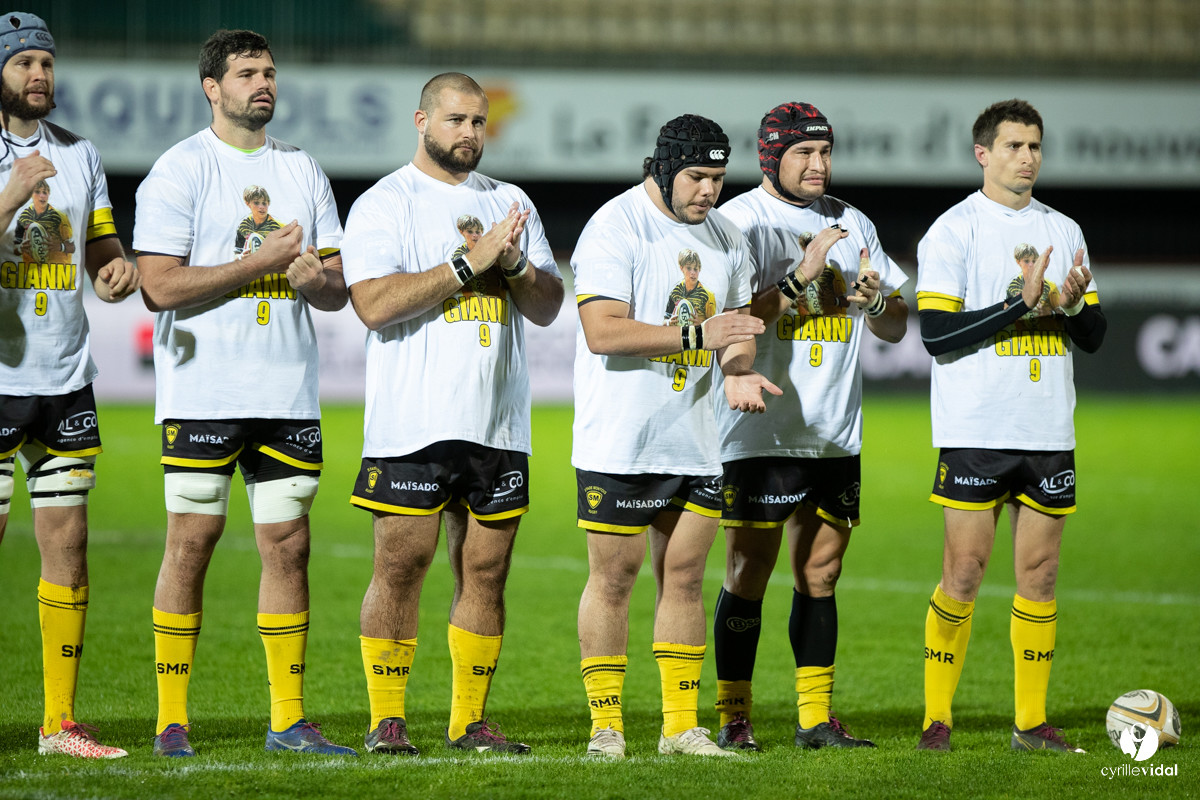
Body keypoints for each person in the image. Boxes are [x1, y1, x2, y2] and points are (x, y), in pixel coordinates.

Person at [134, 28, 355, 758]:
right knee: (190, 543)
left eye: (270, 72)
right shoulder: (180, 169)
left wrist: (316, 281)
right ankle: (171, 721)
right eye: (247, 72)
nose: (264, 83)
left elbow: (339, 288)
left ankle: (288, 721)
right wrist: (259, 262)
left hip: (286, 396)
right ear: (212, 87)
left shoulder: (303, 169)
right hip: (203, 394)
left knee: (289, 548)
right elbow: (158, 286)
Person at [342, 72, 563, 756]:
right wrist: (470, 264)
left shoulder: (511, 202)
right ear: (421, 121)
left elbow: (548, 306)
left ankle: (470, 722)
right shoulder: (386, 202)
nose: (470, 133)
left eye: (479, 122)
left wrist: (516, 264)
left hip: (498, 424)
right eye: (456, 119)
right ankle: (387, 721)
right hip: (414, 422)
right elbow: (374, 304)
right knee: (401, 565)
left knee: (486, 572)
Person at [573, 114, 781, 760]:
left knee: (686, 578)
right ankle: (606, 727)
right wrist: (699, 336)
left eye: (718, 178)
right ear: (663, 169)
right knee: (615, 578)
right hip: (622, 440)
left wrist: (738, 371)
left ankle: (679, 728)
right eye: (696, 177)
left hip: (696, 440)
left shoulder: (727, 237)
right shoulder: (615, 225)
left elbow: (737, 332)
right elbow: (603, 331)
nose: (709, 191)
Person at [710, 101, 909, 751]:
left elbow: (896, 324)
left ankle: (815, 720)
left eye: (825, 152)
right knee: (748, 570)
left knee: (822, 573)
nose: (819, 164)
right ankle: (734, 717)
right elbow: (732, 321)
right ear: (772, 156)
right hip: (761, 429)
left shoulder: (853, 221)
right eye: (804, 152)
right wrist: (799, 279)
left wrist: (875, 302)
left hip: (834, 431)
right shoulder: (738, 221)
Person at [914, 98, 1105, 753]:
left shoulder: (1065, 229)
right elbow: (936, 334)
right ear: (983, 153)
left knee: (1041, 576)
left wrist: (1072, 307)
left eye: (1035, 146)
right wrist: (1016, 305)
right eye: (1014, 146)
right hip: (977, 429)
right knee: (964, 572)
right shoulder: (953, 230)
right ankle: (937, 720)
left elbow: (1094, 335)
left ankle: (1030, 723)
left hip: (1048, 431)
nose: (1027, 158)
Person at [0, 10, 140, 759]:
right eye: (23, 63)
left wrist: (116, 270)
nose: (39, 75)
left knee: (70, 545)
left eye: (46, 63)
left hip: (65, 378)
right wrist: (11, 192)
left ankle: (60, 723)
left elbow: (100, 243)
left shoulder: (80, 153)